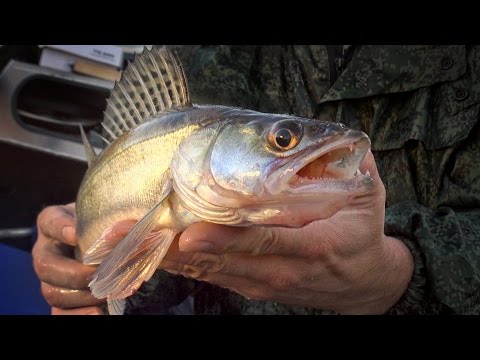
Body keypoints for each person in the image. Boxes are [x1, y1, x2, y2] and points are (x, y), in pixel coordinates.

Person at [32, 45, 480, 315]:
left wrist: (397, 273)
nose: (287, 144)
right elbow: (154, 284)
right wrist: (86, 270)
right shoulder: (208, 57)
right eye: (282, 139)